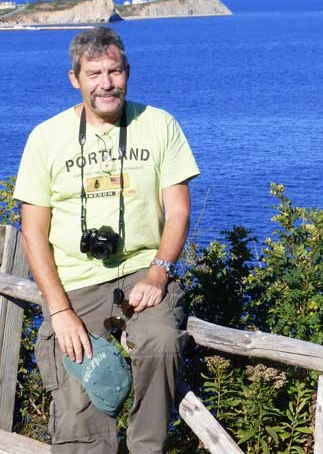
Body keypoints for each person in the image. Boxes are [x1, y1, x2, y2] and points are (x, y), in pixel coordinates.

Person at [14, 27, 200, 453]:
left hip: (142, 273)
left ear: (127, 72)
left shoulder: (159, 125)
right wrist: (59, 310)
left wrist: (159, 272)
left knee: (161, 342)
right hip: (75, 284)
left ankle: (146, 447)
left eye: (114, 71)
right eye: (94, 73)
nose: (106, 83)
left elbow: (178, 211)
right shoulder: (46, 138)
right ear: (75, 79)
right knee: (78, 397)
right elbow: (33, 232)